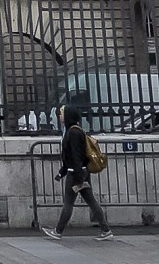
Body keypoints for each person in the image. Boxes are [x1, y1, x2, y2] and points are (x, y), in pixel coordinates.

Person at [42, 104, 117, 242]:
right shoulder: (72, 130)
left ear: (68, 115)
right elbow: (71, 156)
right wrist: (62, 172)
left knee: (69, 203)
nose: (59, 115)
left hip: (76, 173)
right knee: (90, 201)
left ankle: (58, 231)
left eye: (62, 113)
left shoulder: (73, 132)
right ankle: (106, 230)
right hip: (79, 172)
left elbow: (76, 156)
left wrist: (77, 177)